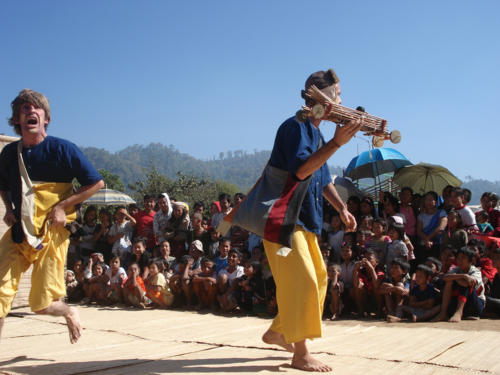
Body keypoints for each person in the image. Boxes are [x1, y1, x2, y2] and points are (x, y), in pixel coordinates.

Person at [252, 69, 361, 372]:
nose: (342, 101)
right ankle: (300, 353)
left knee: (320, 280)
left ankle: (278, 332)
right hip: (282, 221)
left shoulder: (318, 134)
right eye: (338, 96)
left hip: (305, 222)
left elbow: (322, 178)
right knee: (303, 281)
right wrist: (337, 144)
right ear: (323, 99)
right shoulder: (296, 127)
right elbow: (301, 170)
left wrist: (341, 209)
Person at [0, 89, 104, 344]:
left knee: (41, 304)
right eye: (24, 109)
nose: (30, 111)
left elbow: (95, 184)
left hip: (52, 236)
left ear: (46, 118)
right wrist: (10, 209)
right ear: (16, 120)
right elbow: (2, 185)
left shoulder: (63, 149)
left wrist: (63, 206)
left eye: (36, 108)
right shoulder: (9, 154)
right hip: (18, 235)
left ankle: (68, 311)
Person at [433, 246, 485, 322]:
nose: (460, 261)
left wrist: (456, 278)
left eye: (463, 258)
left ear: (471, 260)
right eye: (458, 258)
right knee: (449, 281)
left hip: (475, 305)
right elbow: (445, 277)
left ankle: (459, 312)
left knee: (465, 284)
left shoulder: (475, 271)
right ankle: (443, 313)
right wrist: (463, 276)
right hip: (460, 301)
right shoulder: (457, 269)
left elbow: (469, 283)